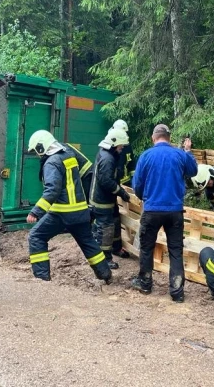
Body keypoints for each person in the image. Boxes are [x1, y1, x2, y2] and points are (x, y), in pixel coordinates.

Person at [26, 130, 112, 284]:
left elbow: (52, 190)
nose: (37, 155)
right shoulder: (68, 153)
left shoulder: (52, 162)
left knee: (36, 236)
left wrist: (36, 212)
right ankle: (105, 274)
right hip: (80, 211)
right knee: (88, 242)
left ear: (42, 147)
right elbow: (87, 170)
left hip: (62, 213)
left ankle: (41, 279)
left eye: (36, 151)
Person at [130, 124, 197, 303]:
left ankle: (145, 284)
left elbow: (137, 186)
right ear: (169, 138)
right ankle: (177, 292)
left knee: (147, 247)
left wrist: (145, 197)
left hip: (152, 210)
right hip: (175, 211)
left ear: (154, 138)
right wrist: (188, 151)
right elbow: (194, 171)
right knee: (176, 250)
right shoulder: (180, 155)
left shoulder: (146, 156)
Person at [88, 128, 131, 269]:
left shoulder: (108, 154)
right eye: (121, 146)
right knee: (105, 230)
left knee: (115, 222)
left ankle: (116, 248)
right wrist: (121, 192)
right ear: (114, 144)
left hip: (107, 200)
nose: (122, 148)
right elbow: (106, 181)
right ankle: (104, 259)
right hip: (102, 202)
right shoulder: (107, 159)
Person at [110, 119, 135, 259]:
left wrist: (132, 183)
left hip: (124, 185)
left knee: (125, 214)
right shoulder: (110, 148)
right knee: (114, 216)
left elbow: (131, 165)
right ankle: (115, 245)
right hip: (115, 187)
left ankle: (123, 242)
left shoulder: (127, 146)